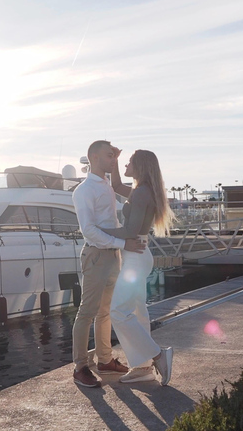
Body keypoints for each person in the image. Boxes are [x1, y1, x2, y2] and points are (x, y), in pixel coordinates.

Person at [71, 140, 146, 388]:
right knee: (87, 312)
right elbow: (89, 231)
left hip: (114, 255)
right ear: (93, 157)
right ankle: (81, 367)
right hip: (96, 255)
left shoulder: (106, 185)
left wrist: (121, 247)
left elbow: (116, 194)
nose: (113, 160)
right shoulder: (83, 190)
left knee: (106, 312)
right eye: (108, 156)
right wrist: (125, 244)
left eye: (114, 156)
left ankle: (104, 360)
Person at [101, 148, 175, 385]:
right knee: (137, 311)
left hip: (135, 255)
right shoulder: (141, 190)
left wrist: (95, 230)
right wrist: (115, 162)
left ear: (140, 166)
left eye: (129, 162)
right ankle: (143, 368)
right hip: (137, 254)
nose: (125, 167)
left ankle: (157, 355)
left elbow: (129, 231)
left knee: (118, 312)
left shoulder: (142, 193)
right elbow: (116, 186)